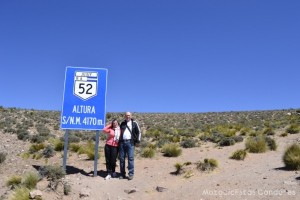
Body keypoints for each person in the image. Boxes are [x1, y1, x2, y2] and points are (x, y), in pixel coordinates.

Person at [118, 112, 141, 180]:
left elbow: (139, 132)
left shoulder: (134, 123)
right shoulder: (122, 123)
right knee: (122, 159)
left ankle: (131, 174)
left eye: (129, 115)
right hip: (122, 143)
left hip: (130, 143)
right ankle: (122, 174)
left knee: (130, 158)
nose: (127, 116)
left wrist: (138, 141)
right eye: (126, 115)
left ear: (131, 116)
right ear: (125, 116)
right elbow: (118, 132)